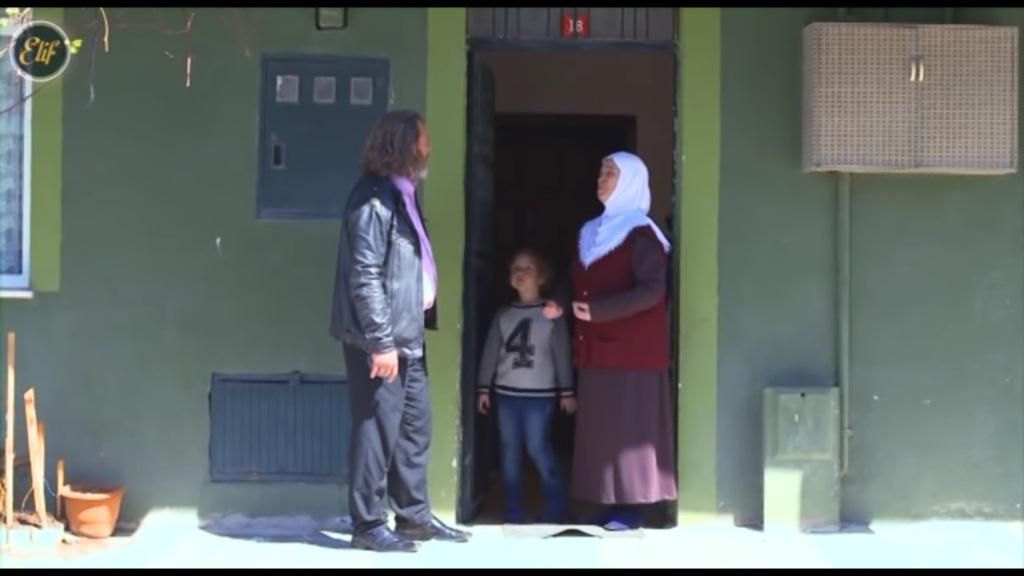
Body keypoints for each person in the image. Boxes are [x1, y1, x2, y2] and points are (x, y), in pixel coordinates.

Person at [330, 110, 470, 552]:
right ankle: (368, 525)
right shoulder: (373, 200)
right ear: (404, 145)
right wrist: (381, 342)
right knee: (376, 429)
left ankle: (413, 517)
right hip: (382, 339)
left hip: (406, 334)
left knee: (413, 427)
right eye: (423, 140)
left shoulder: (401, 193)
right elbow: (366, 274)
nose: (429, 148)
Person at [566, 151, 678, 530]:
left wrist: (599, 311)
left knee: (630, 430)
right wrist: (559, 303)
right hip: (596, 351)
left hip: (633, 354)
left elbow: (652, 290)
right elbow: (577, 280)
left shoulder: (642, 234)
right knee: (602, 432)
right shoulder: (590, 231)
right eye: (601, 172)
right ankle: (605, 502)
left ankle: (632, 508)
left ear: (630, 181)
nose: (601, 179)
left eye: (610, 173)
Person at [477, 249, 576, 524]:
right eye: (515, 268)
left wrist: (567, 391)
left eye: (528, 268)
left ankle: (558, 504)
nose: (520, 273)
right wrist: (483, 387)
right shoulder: (504, 314)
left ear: (542, 277)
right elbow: (491, 352)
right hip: (506, 393)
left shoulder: (551, 313)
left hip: (539, 396)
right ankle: (513, 510)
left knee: (537, 447)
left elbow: (561, 353)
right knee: (509, 450)